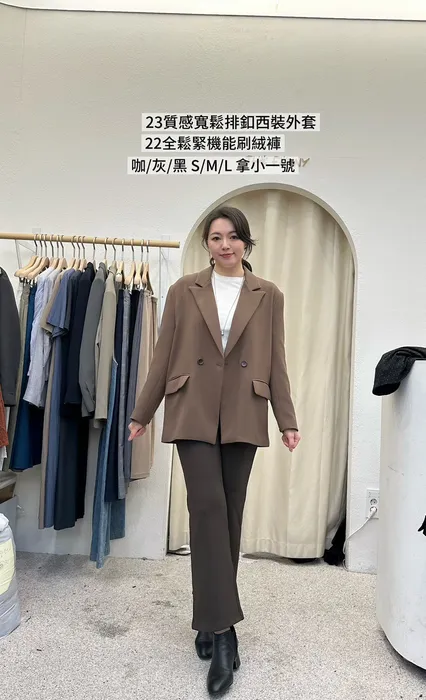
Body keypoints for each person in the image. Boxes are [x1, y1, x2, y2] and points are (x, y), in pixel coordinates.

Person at [128, 205, 300, 696]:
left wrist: (287, 419)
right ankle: (224, 633)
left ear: (246, 242)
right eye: (216, 237)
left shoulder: (269, 295)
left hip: (244, 410)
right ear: (206, 244)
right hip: (193, 410)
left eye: (233, 237)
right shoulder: (185, 290)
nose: (225, 245)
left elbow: (277, 360)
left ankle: (207, 617)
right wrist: (143, 411)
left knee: (228, 519)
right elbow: (163, 354)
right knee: (206, 509)